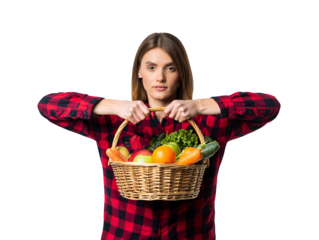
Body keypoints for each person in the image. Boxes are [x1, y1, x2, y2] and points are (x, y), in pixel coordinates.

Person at [37, 30, 281, 240]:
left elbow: (270, 106)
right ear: (140, 72)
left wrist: (202, 104)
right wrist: (113, 105)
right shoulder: (113, 120)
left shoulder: (208, 121)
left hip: (191, 235)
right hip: (124, 233)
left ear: (181, 73)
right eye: (151, 67)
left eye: (170, 68)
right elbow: (47, 104)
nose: (160, 77)